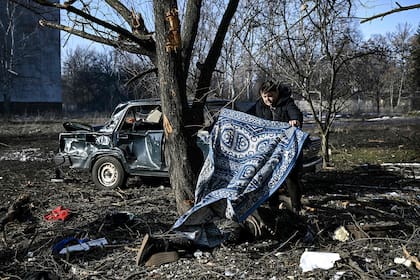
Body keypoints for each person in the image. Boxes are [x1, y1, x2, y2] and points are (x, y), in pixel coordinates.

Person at [248, 80, 304, 213]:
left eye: (270, 95)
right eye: (265, 96)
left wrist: (295, 120)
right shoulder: (259, 105)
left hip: (288, 148)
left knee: (291, 176)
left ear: (277, 93)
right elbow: (247, 116)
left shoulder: (286, 102)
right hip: (270, 150)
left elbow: (296, 113)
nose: (268, 99)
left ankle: (297, 207)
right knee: (270, 177)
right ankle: (273, 207)